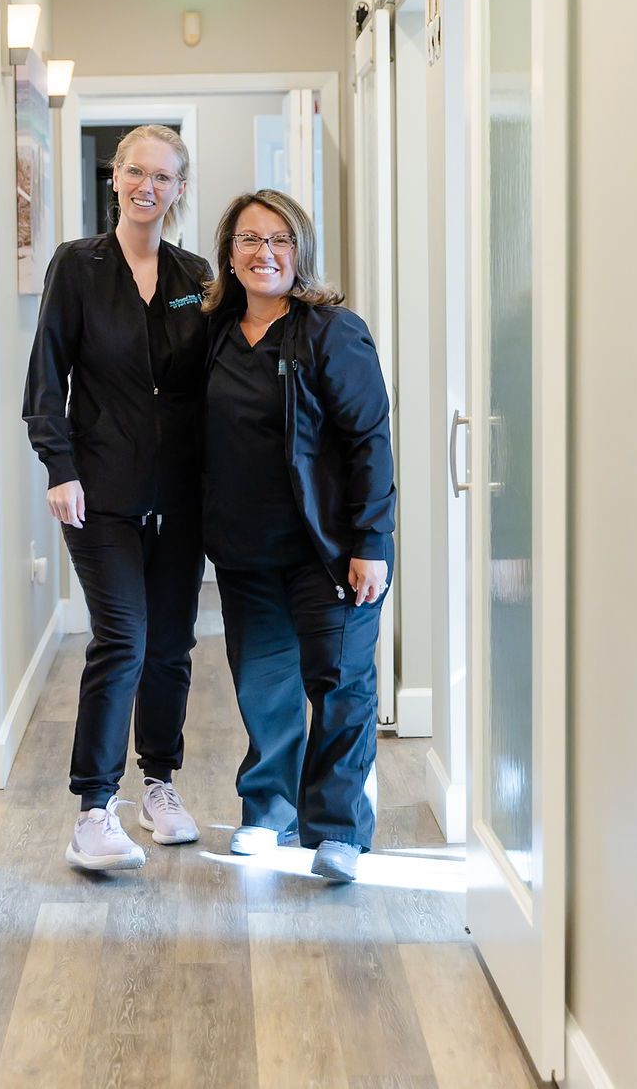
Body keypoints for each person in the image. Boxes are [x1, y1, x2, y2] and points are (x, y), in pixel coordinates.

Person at [23, 125, 212, 871]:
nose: (148, 186)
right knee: (124, 639)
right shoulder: (77, 265)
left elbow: (217, 379)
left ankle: (158, 785)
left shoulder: (196, 273)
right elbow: (46, 375)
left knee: (170, 646)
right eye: (137, 171)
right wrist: (58, 466)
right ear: (116, 178)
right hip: (98, 491)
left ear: (179, 189)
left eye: (164, 176)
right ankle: (93, 810)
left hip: (180, 494)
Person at [202, 189, 396, 883]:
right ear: (229, 252)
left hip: (332, 550)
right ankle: (270, 807)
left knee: (340, 683)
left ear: (300, 251)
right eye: (249, 240)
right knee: (265, 686)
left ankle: (339, 827)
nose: (265, 253)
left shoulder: (331, 331)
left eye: (280, 239)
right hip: (245, 551)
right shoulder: (215, 331)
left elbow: (370, 439)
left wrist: (372, 541)